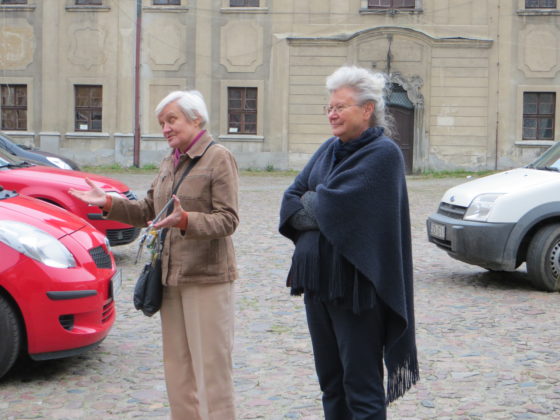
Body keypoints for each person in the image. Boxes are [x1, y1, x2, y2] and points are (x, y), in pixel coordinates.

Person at [69, 90, 239, 420]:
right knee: (177, 369)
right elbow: (149, 209)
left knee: (212, 370)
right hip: (169, 278)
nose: (165, 128)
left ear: (196, 119)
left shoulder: (218, 158)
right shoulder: (169, 160)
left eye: (171, 120)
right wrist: (107, 202)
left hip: (206, 279)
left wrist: (186, 220)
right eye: (162, 123)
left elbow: (228, 220)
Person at [279, 66, 419, 419]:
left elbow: (333, 208)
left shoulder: (383, 154)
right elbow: (290, 199)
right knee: (331, 384)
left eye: (340, 107)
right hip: (318, 284)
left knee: (361, 388)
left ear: (367, 109)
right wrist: (319, 202)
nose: (332, 114)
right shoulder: (329, 149)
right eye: (329, 107)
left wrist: (315, 199)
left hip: (358, 290)